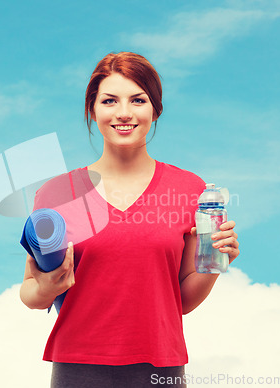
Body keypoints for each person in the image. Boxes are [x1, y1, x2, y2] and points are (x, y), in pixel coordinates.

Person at [19, 52, 240, 388]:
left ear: (156, 109)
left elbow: (180, 302)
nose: (124, 113)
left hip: (159, 369)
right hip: (78, 368)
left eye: (138, 100)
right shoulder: (58, 193)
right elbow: (30, 292)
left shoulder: (189, 189)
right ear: (93, 110)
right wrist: (48, 287)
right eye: (109, 101)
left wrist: (215, 262)